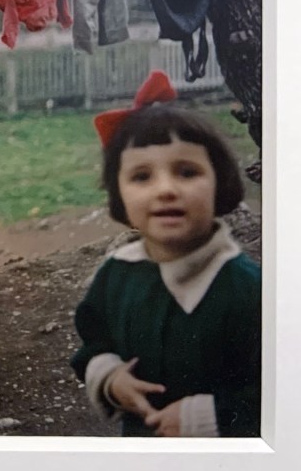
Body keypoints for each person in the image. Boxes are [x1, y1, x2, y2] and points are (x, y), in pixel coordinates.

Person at [70, 70, 260, 437]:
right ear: (119, 195)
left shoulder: (245, 291)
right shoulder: (117, 274)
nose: (166, 189)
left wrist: (209, 418)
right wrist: (110, 378)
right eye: (142, 177)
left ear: (220, 182)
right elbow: (95, 342)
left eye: (186, 172)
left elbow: (275, 394)